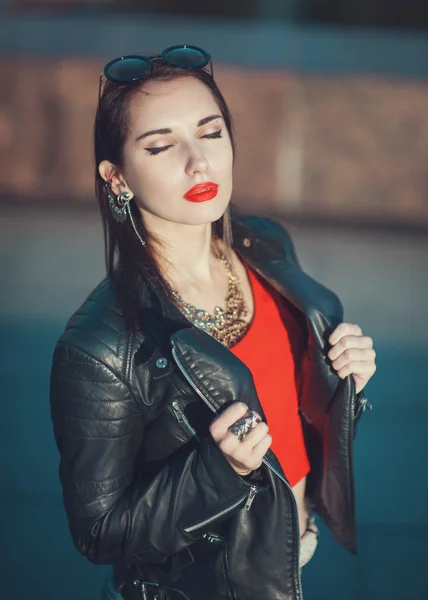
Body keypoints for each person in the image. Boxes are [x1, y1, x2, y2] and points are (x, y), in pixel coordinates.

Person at [49, 45, 376, 600]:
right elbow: (100, 533)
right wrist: (216, 469)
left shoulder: (264, 244)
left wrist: (340, 380)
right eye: (160, 146)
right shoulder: (102, 346)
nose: (198, 163)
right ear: (117, 177)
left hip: (288, 554)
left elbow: (290, 410)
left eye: (210, 133)